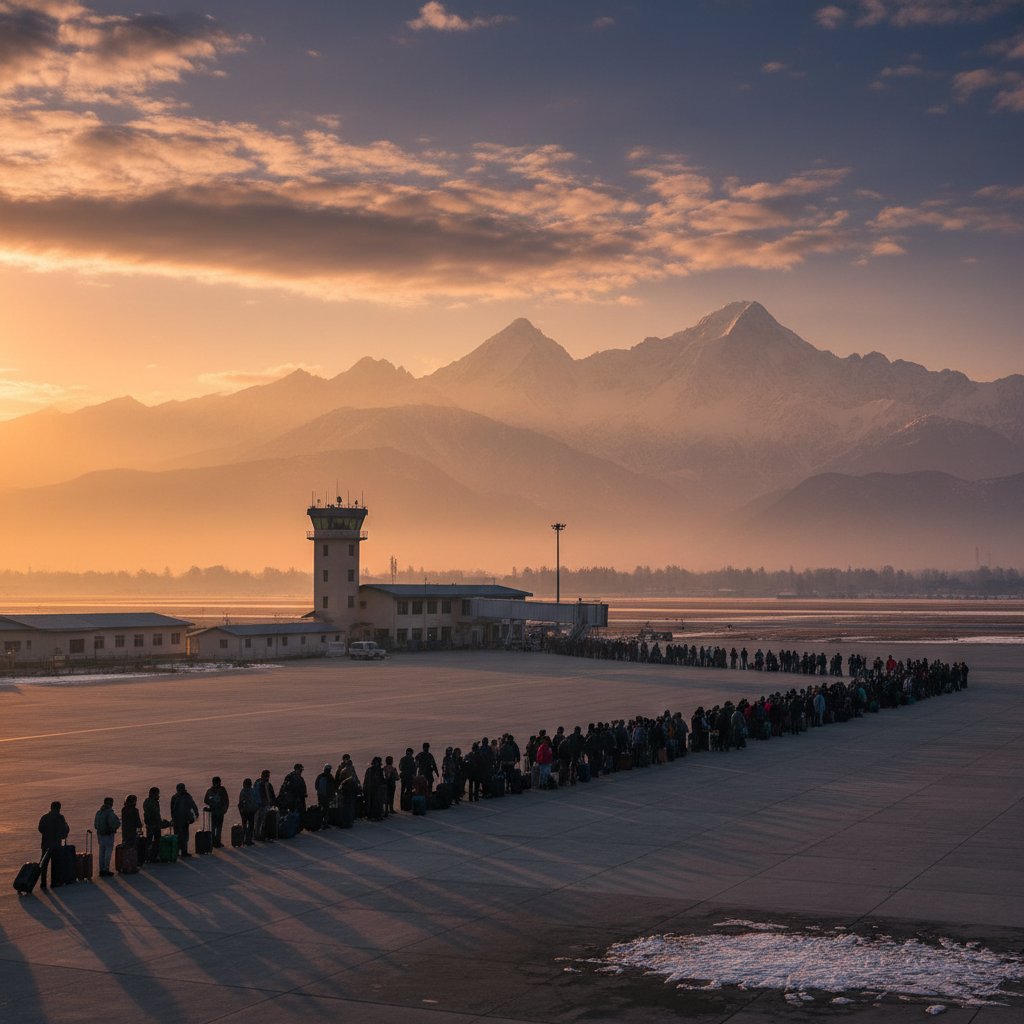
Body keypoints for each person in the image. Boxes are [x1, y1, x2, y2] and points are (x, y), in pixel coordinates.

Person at [38, 800, 70, 890]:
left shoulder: (44, 817)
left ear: (51, 807)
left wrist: (47, 833)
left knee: (44, 864)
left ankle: (43, 882)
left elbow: (40, 828)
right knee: (55, 864)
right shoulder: (60, 818)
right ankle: (54, 882)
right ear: (59, 808)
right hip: (56, 845)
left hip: (45, 844)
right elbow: (64, 830)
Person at [170, 782, 199, 858]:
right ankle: (177, 851)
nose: (180, 790)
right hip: (177, 820)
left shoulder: (186, 796)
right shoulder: (175, 797)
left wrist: (196, 813)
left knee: (185, 836)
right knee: (177, 836)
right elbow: (172, 809)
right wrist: (173, 818)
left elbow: (193, 805)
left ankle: (184, 851)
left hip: (185, 820)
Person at [93, 797, 120, 878]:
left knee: (102, 852)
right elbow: (114, 824)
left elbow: (95, 825)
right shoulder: (110, 813)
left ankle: (102, 869)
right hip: (108, 835)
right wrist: (115, 827)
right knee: (108, 852)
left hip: (100, 835)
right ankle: (106, 869)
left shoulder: (99, 812)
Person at [142, 787, 167, 863]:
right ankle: (151, 856)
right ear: (153, 794)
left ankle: (151, 856)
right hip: (153, 825)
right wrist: (161, 823)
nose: (158, 796)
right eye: (157, 794)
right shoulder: (150, 802)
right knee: (153, 841)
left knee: (153, 840)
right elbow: (154, 814)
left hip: (153, 824)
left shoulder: (151, 801)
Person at [204, 776, 229, 848]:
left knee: (217, 827)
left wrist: (224, 809)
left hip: (219, 812)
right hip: (216, 812)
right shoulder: (214, 790)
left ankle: (216, 841)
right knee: (215, 827)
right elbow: (206, 800)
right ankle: (214, 842)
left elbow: (226, 800)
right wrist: (211, 803)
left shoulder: (218, 790)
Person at [255, 770, 276, 841]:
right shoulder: (259, 784)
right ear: (262, 776)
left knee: (265, 821)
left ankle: (262, 835)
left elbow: (272, 794)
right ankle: (257, 835)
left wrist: (273, 803)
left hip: (267, 805)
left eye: (268, 776)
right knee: (259, 820)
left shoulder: (268, 784)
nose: (267, 777)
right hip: (261, 806)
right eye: (266, 776)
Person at [237, 778, 257, 845]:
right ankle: (248, 840)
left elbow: (240, 803)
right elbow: (254, 801)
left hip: (245, 811)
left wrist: (241, 810)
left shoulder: (243, 791)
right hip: (249, 811)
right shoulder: (251, 791)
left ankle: (244, 839)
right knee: (250, 826)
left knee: (245, 826)